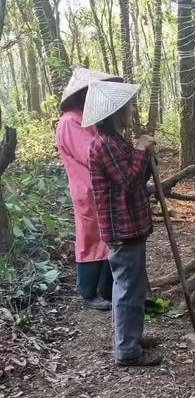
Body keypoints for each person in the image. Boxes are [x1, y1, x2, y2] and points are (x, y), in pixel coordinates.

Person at [82, 80, 160, 367]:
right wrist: (140, 148)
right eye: (127, 106)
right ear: (116, 112)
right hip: (122, 231)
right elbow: (128, 182)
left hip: (132, 227)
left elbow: (138, 179)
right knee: (127, 288)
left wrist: (145, 155)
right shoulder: (104, 145)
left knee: (134, 286)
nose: (131, 110)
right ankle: (127, 350)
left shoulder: (117, 142)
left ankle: (133, 337)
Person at [56, 67, 122, 310]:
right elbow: (91, 153)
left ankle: (105, 288)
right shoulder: (69, 122)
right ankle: (87, 291)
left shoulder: (86, 119)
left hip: (100, 188)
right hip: (86, 189)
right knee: (90, 237)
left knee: (106, 236)